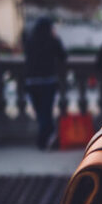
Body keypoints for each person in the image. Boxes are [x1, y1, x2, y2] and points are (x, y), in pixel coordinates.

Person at [24, 17, 66, 150]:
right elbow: (63, 56)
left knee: (40, 113)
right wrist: (56, 38)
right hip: (48, 81)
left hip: (32, 82)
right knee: (46, 112)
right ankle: (45, 140)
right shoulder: (52, 41)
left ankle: (45, 139)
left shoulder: (30, 41)